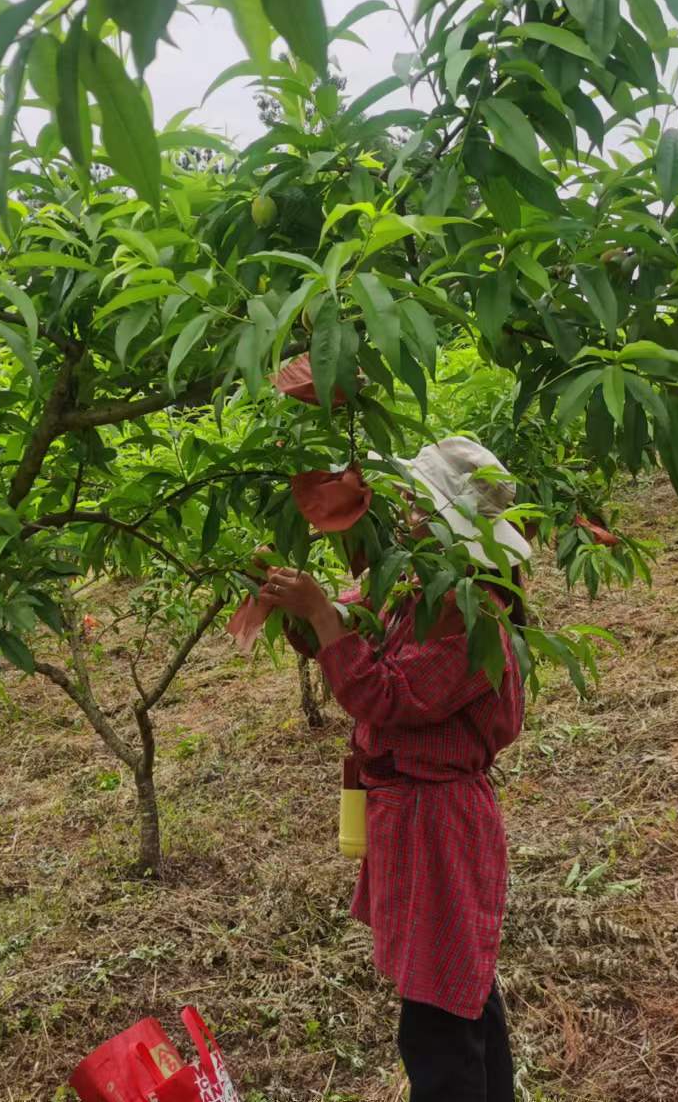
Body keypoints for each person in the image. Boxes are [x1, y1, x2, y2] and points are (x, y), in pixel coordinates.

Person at [259, 436, 529, 1102]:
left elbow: (386, 693)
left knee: (438, 1025)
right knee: (461, 994)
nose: (403, 508)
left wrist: (324, 614)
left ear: (447, 522)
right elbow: (357, 629)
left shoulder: (476, 618)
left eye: (419, 502)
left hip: (441, 824)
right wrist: (307, 613)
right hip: (412, 816)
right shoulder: (414, 585)